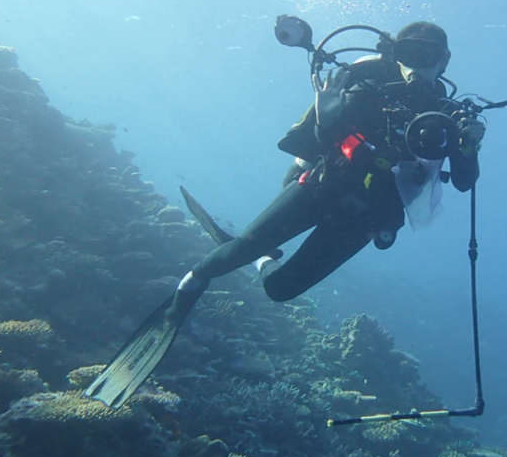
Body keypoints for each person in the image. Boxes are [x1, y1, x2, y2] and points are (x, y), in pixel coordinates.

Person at [86, 21, 486, 408]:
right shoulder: (365, 84)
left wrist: (468, 146)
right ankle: (188, 288)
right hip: (320, 187)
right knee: (237, 250)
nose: (418, 64)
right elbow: (315, 142)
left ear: (445, 60)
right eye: (408, 53)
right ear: (393, 54)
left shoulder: (449, 115)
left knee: (280, 290)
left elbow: (464, 183)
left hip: (366, 220)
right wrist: (328, 117)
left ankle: (263, 258)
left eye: (428, 55)